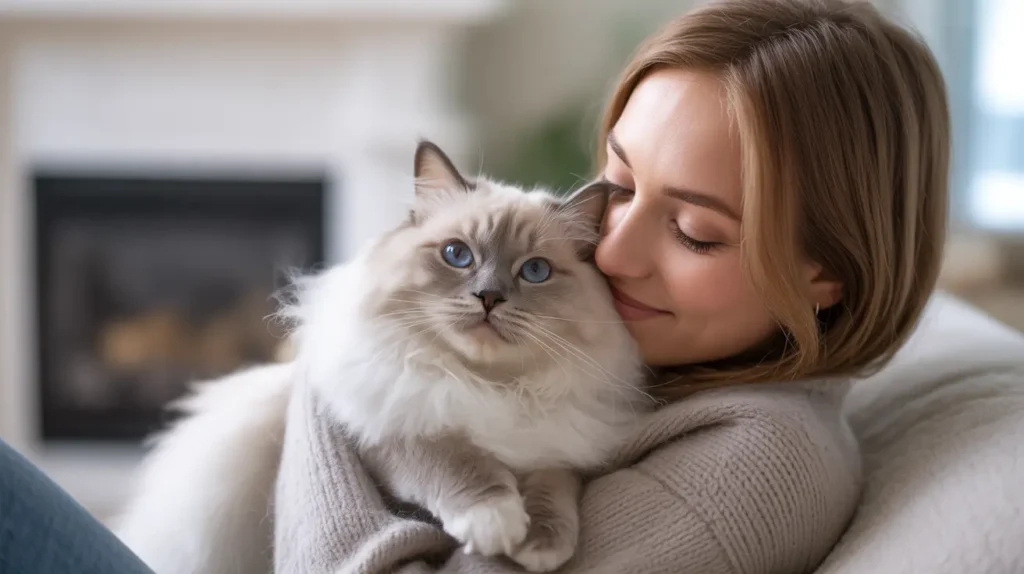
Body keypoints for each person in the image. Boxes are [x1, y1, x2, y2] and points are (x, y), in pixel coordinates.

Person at [0, 0, 948, 572]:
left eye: (696, 231)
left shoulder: (758, 466)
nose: (609, 257)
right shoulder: (659, 353)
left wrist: (352, 365)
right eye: (616, 189)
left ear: (827, 276)